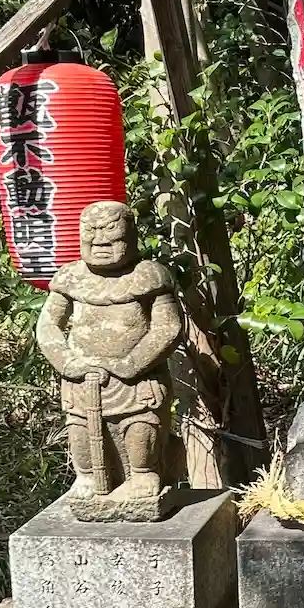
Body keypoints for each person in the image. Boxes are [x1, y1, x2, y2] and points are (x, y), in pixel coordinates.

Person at [36, 201, 183, 506]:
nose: (100, 244)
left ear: (131, 237)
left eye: (111, 239)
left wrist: (132, 364)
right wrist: (68, 363)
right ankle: (87, 476)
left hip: (136, 379)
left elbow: (168, 328)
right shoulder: (71, 277)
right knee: (80, 430)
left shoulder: (149, 276)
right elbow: (48, 325)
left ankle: (143, 475)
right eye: (92, 239)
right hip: (82, 378)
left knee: (141, 427)